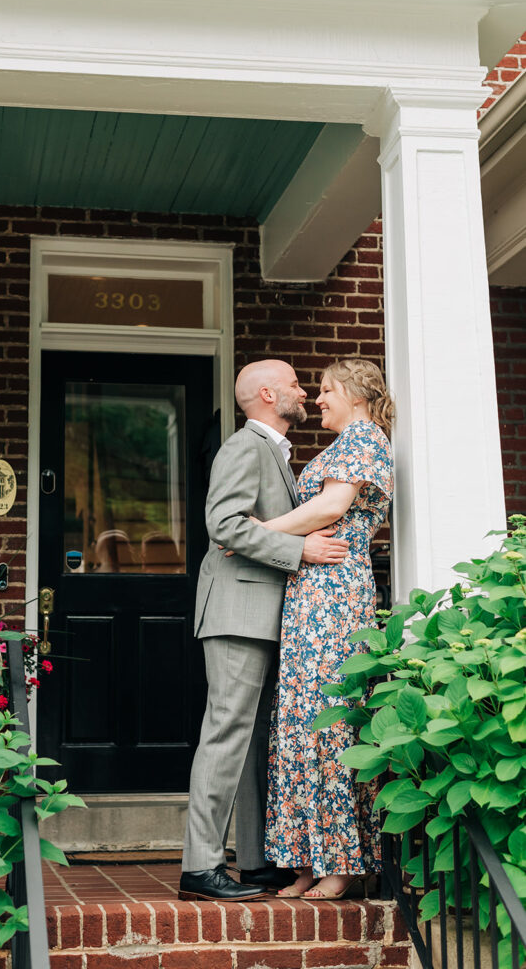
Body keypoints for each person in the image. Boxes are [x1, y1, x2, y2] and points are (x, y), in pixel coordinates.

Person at [179, 359, 350, 903]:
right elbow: (224, 526)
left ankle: (254, 861)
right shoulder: (242, 448)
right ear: (270, 395)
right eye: (298, 384)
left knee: (255, 741)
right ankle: (200, 867)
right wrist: (300, 549)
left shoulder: (276, 452)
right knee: (227, 732)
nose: (306, 392)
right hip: (237, 609)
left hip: (271, 615)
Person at [259, 358, 394, 900]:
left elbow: (333, 505)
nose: (318, 400)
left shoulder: (367, 440)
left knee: (330, 722)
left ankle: (341, 862)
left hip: (336, 596)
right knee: (300, 717)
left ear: (355, 395)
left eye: (325, 390)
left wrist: (256, 533)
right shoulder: (347, 443)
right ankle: (305, 860)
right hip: (310, 594)